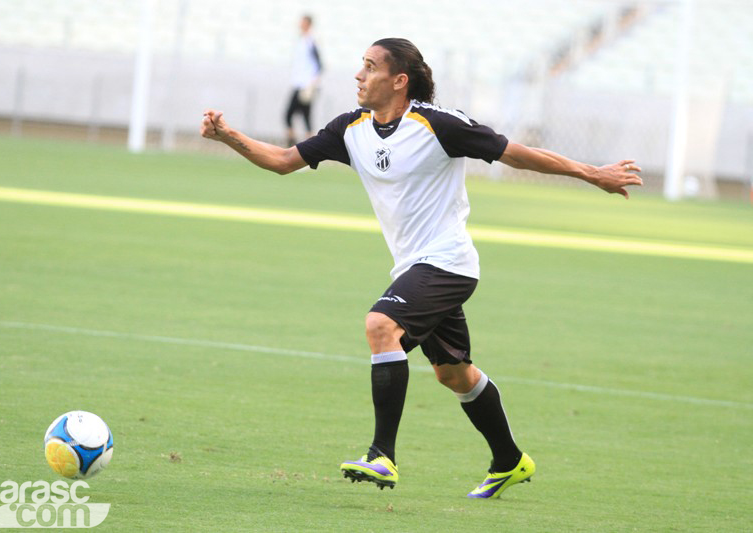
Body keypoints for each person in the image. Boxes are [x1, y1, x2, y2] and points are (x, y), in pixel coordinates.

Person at [201, 37, 642, 499]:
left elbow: (515, 152)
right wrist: (228, 136)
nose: (358, 75)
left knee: (380, 325)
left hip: (448, 263)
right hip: (413, 268)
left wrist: (593, 173)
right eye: (360, 66)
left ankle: (381, 456)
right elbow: (282, 161)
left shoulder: (438, 124)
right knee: (455, 374)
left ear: (399, 80)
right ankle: (510, 460)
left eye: (369, 67)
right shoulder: (350, 129)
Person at [284, 15, 322, 147]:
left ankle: (307, 148)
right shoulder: (301, 40)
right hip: (298, 83)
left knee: (296, 115)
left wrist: (312, 84)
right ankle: (297, 146)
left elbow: (319, 64)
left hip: (305, 85)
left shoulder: (311, 41)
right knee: (293, 116)